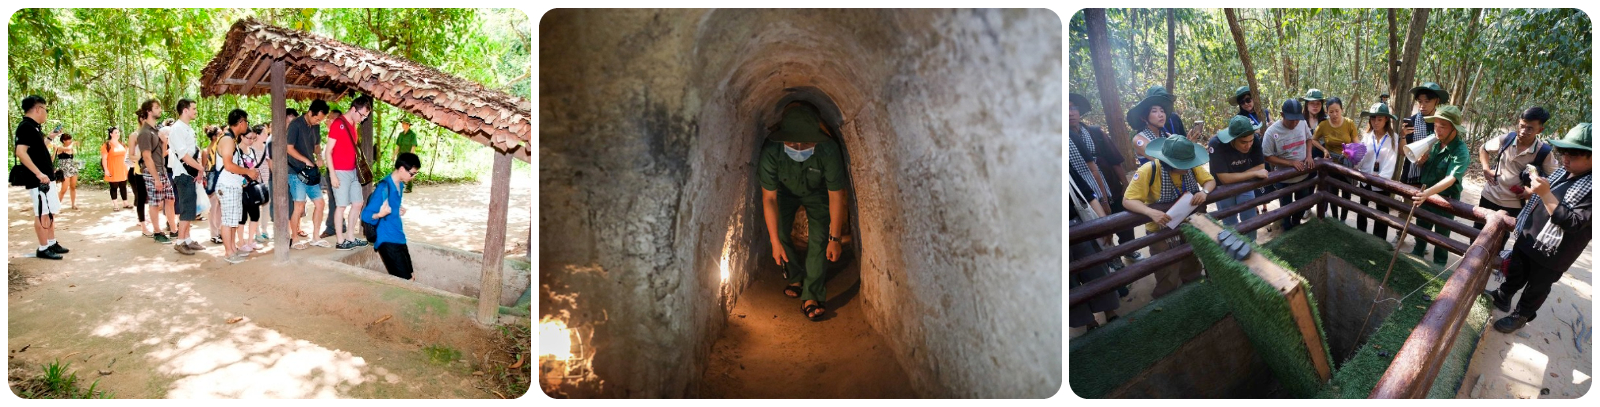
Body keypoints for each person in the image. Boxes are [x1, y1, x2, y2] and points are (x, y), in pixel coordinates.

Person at [1483, 123, 1591, 333]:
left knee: (1538, 285)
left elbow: (1573, 222)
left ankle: (1521, 315)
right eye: (1564, 153)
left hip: (1555, 252)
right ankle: (1503, 296)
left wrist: (1545, 194)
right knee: (1517, 269)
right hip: (1530, 234)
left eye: (1574, 155)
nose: (1566, 159)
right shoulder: (1563, 172)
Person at [760, 102, 849, 321]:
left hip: (817, 192)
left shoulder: (828, 150)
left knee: (819, 237)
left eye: (806, 143)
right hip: (783, 192)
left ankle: (811, 295)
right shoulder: (772, 150)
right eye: (792, 143)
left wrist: (835, 238)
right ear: (783, 139)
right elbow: (769, 198)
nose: (799, 148)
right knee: (780, 231)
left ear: (816, 139)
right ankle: (796, 276)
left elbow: (836, 195)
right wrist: (774, 242)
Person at [1123, 134, 1213, 299]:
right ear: (1168, 162)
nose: (1188, 167)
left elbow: (1210, 181)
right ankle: (1167, 300)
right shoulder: (1148, 171)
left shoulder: (1191, 166)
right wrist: (1150, 212)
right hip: (1160, 229)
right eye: (1183, 165)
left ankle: (1195, 293)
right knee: (1167, 270)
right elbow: (1128, 200)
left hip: (1188, 223)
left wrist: (1204, 192)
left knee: (1191, 262)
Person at [1073, 94, 1138, 260]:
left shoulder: (1095, 133)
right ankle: (1112, 259)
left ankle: (1129, 250)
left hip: (1111, 186)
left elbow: (1115, 160)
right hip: (1085, 193)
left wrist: (1125, 185)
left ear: (1079, 112)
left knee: (1123, 221)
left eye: (1073, 108)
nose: (1070, 113)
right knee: (1099, 228)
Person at [1475, 107, 1558, 231]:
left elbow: (1556, 178)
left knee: (1499, 237)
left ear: (1540, 130)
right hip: (1489, 196)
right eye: (1521, 126)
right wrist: (1486, 168)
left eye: (1530, 128)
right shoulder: (1506, 139)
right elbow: (1483, 148)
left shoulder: (1543, 152)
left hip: (1513, 204)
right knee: (1476, 231)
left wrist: (1532, 192)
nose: (1523, 131)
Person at [1408, 105, 1470, 266]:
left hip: (1446, 200)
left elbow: (1451, 178)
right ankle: (1416, 256)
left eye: (1443, 126)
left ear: (1454, 129)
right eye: (1435, 125)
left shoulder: (1460, 151)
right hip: (1426, 195)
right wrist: (1421, 162)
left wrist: (1427, 193)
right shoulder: (1433, 141)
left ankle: (1439, 265)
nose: (1437, 129)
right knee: (1421, 229)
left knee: (1442, 237)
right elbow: (1422, 164)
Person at [13, 95, 70, 260]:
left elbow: (38, 148)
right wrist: (38, 173)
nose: (46, 113)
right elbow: (20, 152)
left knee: (50, 211)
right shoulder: (25, 127)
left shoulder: (34, 127)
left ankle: (51, 242)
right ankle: (43, 247)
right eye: (45, 109)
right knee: (42, 213)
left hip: (46, 177)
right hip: (39, 179)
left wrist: (50, 136)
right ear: (38, 109)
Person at [364, 153, 422, 280]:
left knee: (411, 277)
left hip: (399, 236)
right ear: (401, 169)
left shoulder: (400, 184)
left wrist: (397, 210)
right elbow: (366, 215)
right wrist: (380, 214)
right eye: (412, 174)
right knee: (405, 280)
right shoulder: (383, 187)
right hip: (387, 239)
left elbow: (392, 206)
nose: (413, 177)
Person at [1208, 116, 1267, 240]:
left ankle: (1252, 244)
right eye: (1243, 142)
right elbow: (1224, 179)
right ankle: (1233, 246)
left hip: (1245, 185)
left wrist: (1235, 176)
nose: (1248, 145)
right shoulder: (1216, 145)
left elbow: (1260, 167)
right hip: (1223, 188)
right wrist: (1253, 174)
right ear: (1232, 139)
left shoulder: (1255, 139)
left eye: (1250, 141)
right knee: (1229, 222)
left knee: (1250, 219)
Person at [1262, 99, 1316, 232]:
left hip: (1302, 176)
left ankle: (1296, 225)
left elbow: (1309, 139)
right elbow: (1267, 156)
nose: (1295, 123)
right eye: (1291, 120)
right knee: (1285, 208)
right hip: (1284, 179)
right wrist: (1290, 163)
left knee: (1301, 204)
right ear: (1282, 115)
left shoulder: (1302, 123)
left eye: (1297, 119)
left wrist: (1309, 155)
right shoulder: (1271, 132)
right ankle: (1286, 228)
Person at [328, 97, 374, 251]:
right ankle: (340, 241)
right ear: (354, 109)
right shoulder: (338, 124)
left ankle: (350, 236)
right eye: (362, 115)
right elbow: (328, 151)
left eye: (365, 117)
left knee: (358, 203)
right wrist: (332, 175)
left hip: (353, 170)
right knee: (341, 206)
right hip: (340, 171)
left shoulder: (354, 124)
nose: (363, 119)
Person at [287, 100, 331, 249]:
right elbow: (289, 148)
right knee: (299, 206)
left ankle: (316, 237)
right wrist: (305, 160)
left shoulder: (316, 125)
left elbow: (316, 145)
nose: (318, 122)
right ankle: (294, 239)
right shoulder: (295, 124)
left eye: (320, 120)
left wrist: (318, 156)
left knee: (320, 203)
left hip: (310, 171)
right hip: (295, 171)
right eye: (317, 119)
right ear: (310, 112)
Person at [215, 109, 258, 264]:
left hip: (233, 185)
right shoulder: (227, 140)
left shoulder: (231, 139)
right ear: (241, 122)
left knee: (233, 220)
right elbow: (228, 165)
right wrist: (248, 172)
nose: (247, 125)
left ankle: (233, 249)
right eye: (246, 121)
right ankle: (229, 252)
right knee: (228, 221)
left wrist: (243, 179)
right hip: (227, 185)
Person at [164, 99, 205, 255]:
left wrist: (198, 169)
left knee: (190, 208)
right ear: (185, 110)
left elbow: (193, 151)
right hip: (183, 173)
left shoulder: (187, 128)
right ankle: (180, 241)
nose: (196, 111)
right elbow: (183, 155)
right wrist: (200, 168)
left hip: (190, 173)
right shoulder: (177, 129)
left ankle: (187, 239)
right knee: (186, 208)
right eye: (194, 108)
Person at [1356, 103, 1401, 240]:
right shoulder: (1367, 136)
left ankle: (1379, 240)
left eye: (1379, 119)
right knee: (1362, 209)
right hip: (1365, 178)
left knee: (1381, 211)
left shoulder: (1393, 138)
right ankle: (1360, 236)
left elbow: (1391, 160)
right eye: (1373, 118)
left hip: (1382, 181)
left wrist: (1381, 178)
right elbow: (1361, 157)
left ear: (1386, 119)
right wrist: (1354, 159)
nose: (1375, 122)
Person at [136, 99, 177, 244]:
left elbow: (163, 153)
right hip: (152, 172)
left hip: (162, 169)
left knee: (170, 199)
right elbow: (146, 157)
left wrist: (164, 141)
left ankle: (173, 229)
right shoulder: (145, 132)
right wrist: (156, 178)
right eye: (157, 107)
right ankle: (157, 232)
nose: (160, 110)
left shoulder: (156, 131)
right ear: (149, 111)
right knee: (155, 203)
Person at [1313, 97, 1359, 220]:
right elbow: (1313, 139)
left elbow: (1357, 144)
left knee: (1346, 193)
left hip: (1347, 163)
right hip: (1331, 164)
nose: (1334, 114)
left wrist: (1350, 152)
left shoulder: (1349, 123)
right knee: (1332, 192)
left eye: (1337, 111)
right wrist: (1324, 150)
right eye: (1331, 111)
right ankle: (1334, 218)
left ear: (1342, 110)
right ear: (1327, 111)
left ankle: (1343, 219)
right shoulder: (1323, 125)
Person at [1399, 82, 1449, 190]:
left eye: (1427, 101)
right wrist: (1403, 136)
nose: (1422, 105)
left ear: (1437, 101)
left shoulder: (1444, 124)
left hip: (1434, 179)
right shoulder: (1412, 122)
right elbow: (1402, 153)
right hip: (1411, 178)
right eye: (1420, 101)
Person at [1127, 86, 1181, 165]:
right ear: (1143, 118)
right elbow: (1165, 161)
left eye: (1162, 111)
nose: (1161, 115)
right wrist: (1177, 146)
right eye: (1154, 111)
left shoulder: (1166, 135)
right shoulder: (1139, 139)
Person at [243, 124, 271, 248]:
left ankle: (264, 229)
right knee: (255, 207)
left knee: (266, 204)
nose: (266, 135)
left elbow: (269, 162)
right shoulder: (251, 148)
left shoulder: (266, 147)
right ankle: (257, 232)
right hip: (254, 181)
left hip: (265, 180)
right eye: (264, 133)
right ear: (257, 135)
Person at [102, 127, 130, 210]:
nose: (118, 134)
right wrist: (106, 170)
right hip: (112, 168)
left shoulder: (122, 144)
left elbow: (127, 156)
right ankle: (115, 205)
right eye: (115, 132)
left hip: (123, 169)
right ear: (111, 134)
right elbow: (104, 159)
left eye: (118, 132)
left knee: (123, 186)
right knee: (114, 187)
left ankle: (125, 203)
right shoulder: (107, 145)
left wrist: (128, 166)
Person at [52, 132, 81, 209]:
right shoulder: (60, 148)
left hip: (72, 169)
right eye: (68, 139)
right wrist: (73, 143)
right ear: (64, 141)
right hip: (64, 170)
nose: (70, 141)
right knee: (64, 189)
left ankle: (73, 204)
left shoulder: (71, 149)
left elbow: (70, 159)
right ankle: (56, 206)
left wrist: (77, 163)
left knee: (73, 187)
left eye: (70, 139)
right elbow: (68, 148)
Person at [394, 119, 419, 193]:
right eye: (402, 123)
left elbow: (413, 146)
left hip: (408, 155)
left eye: (404, 123)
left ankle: (409, 188)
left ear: (408, 125)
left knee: (409, 171)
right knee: (398, 170)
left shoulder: (412, 135)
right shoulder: (401, 134)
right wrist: (394, 155)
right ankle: (398, 186)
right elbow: (398, 146)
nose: (402, 125)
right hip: (400, 155)